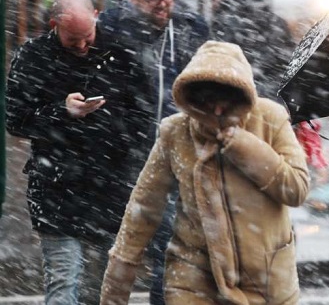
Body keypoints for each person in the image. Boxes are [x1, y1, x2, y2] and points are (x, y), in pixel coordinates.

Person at [99, 41, 310, 305]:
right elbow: (143, 207)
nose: (218, 111)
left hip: (264, 277)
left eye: (226, 101)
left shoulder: (270, 118)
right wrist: (115, 291)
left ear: (242, 95)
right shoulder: (174, 132)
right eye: (208, 102)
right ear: (193, 99)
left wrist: (244, 147)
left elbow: (296, 188)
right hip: (192, 274)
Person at [5, 0, 149, 305]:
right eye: (73, 40)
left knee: (106, 288)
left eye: (88, 36)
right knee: (63, 280)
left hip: (108, 187)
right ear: (55, 25)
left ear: (97, 15)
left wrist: (110, 122)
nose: (83, 46)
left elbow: (143, 117)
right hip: (56, 185)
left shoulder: (121, 53)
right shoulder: (33, 57)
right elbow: (15, 120)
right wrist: (61, 111)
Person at [98, 0, 210, 305]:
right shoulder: (110, 30)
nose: (164, 6)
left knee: (168, 247)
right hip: (127, 155)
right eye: (154, 0)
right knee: (119, 248)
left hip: (177, 153)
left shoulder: (189, 26)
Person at [211, 0, 296, 101]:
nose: (212, 3)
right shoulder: (271, 16)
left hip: (241, 100)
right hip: (276, 100)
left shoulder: (223, 20)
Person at [294, 120, 329, 210]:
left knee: (320, 173)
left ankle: (311, 198)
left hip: (312, 147)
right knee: (318, 173)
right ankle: (310, 199)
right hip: (308, 146)